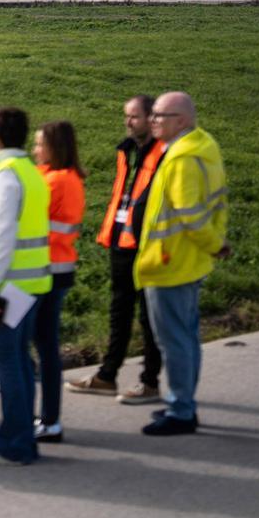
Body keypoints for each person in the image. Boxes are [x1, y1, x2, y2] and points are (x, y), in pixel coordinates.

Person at [136, 91, 229, 436]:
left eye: (160, 115)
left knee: (173, 341)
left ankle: (181, 410)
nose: (153, 120)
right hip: (191, 261)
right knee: (186, 337)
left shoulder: (181, 159)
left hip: (170, 263)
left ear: (182, 120)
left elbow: (190, 216)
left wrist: (215, 244)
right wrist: (215, 244)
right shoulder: (203, 146)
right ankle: (183, 401)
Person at [0, 107, 52, 466]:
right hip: (30, 284)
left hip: (5, 287)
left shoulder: (3, 175)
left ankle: (15, 444)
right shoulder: (29, 172)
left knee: (10, 366)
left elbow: (1, 235)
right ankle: (21, 439)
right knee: (19, 362)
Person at [66, 95, 164, 403]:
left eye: (134, 116)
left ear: (152, 118)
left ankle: (150, 381)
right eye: (127, 116)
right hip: (122, 240)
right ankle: (107, 376)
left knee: (150, 316)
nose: (128, 122)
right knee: (119, 310)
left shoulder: (165, 153)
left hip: (149, 243)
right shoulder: (127, 150)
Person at [30, 121, 86, 443]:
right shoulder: (58, 176)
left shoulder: (59, 181)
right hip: (56, 268)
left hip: (48, 270)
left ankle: (49, 419)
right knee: (43, 343)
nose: (36, 149)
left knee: (44, 345)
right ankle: (48, 417)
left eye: (40, 144)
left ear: (55, 146)